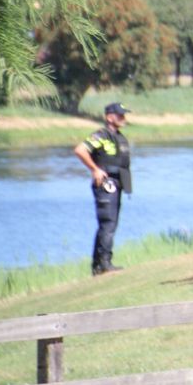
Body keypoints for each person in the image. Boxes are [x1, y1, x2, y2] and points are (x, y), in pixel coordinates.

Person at [73, 102, 133, 276]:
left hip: (118, 183)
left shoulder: (120, 137)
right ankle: (104, 264)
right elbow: (80, 150)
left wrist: (127, 185)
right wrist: (95, 169)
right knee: (107, 223)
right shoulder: (101, 135)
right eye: (120, 114)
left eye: (124, 114)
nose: (123, 117)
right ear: (109, 117)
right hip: (106, 185)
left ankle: (98, 265)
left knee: (110, 224)